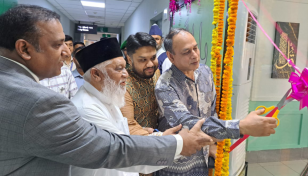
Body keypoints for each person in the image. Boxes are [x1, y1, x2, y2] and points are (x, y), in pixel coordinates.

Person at [0, 6, 217, 175]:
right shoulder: (45, 103)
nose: (66, 52)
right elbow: (112, 149)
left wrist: (159, 138)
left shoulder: (110, 98)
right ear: (24, 49)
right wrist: (178, 144)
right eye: (58, 45)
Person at [155, 28, 278, 176]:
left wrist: (213, 144)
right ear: (171, 57)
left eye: (195, 48)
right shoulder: (165, 86)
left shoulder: (205, 72)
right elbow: (187, 122)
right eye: (186, 52)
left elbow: (211, 110)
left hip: (203, 159)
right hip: (177, 163)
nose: (194, 55)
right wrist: (241, 126)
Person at [71, 38, 194, 176]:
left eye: (124, 67)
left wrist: (159, 136)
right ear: (96, 74)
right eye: (119, 69)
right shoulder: (86, 109)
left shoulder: (107, 96)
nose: (126, 74)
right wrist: (178, 143)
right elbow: (124, 152)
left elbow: (124, 137)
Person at [120, 32, 161, 137]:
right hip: (137, 143)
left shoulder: (155, 73)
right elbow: (128, 126)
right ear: (129, 59)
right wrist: (161, 137)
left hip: (158, 137)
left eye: (153, 58)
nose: (150, 64)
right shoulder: (123, 85)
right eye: (143, 60)